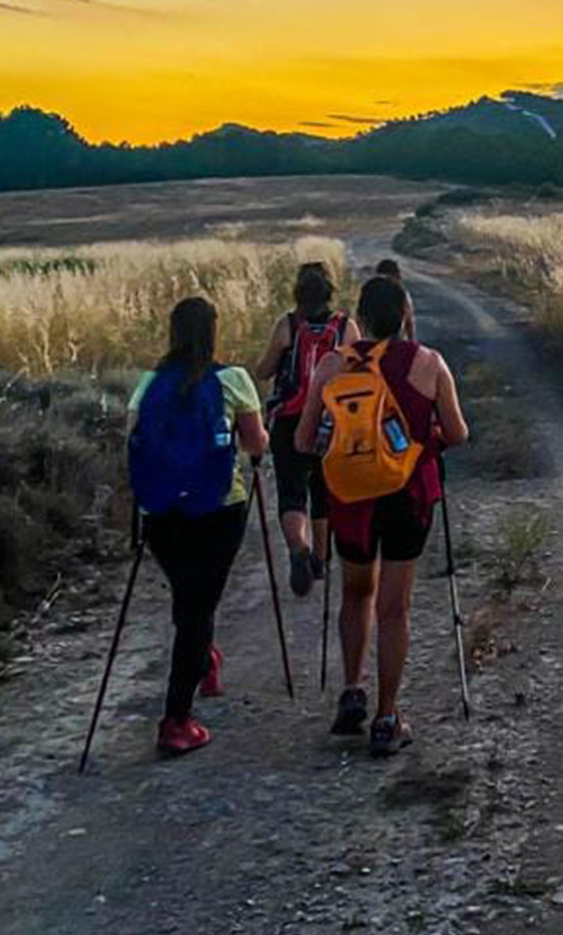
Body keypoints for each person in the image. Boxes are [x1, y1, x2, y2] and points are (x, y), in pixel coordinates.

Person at [296, 275, 468, 756]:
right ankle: (387, 717)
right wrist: (420, 442)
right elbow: (458, 434)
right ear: (405, 314)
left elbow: (303, 441)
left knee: (355, 594)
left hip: (350, 501)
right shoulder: (429, 364)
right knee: (395, 607)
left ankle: (352, 690)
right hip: (407, 497)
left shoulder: (333, 365)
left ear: (363, 318)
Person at [126, 297, 269, 756]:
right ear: (212, 332)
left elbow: (131, 442)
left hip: (160, 512)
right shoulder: (232, 380)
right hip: (218, 508)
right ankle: (176, 719)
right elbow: (255, 443)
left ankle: (202, 659)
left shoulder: (148, 384)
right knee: (197, 608)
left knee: (188, 597)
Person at [254, 262, 357, 597]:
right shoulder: (345, 327)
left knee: (291, 492)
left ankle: (298, 549)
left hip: (289, 420)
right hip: (331, 421)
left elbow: (265, 370)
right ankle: (321, 561)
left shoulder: (287, 325)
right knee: (323, 494)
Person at [374, 258, 417, 342]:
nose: (400, 278)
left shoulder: (371, 293)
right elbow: (409, 323)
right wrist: (412, 345)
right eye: (398, 275)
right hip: (397, 344)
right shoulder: (401, 294)